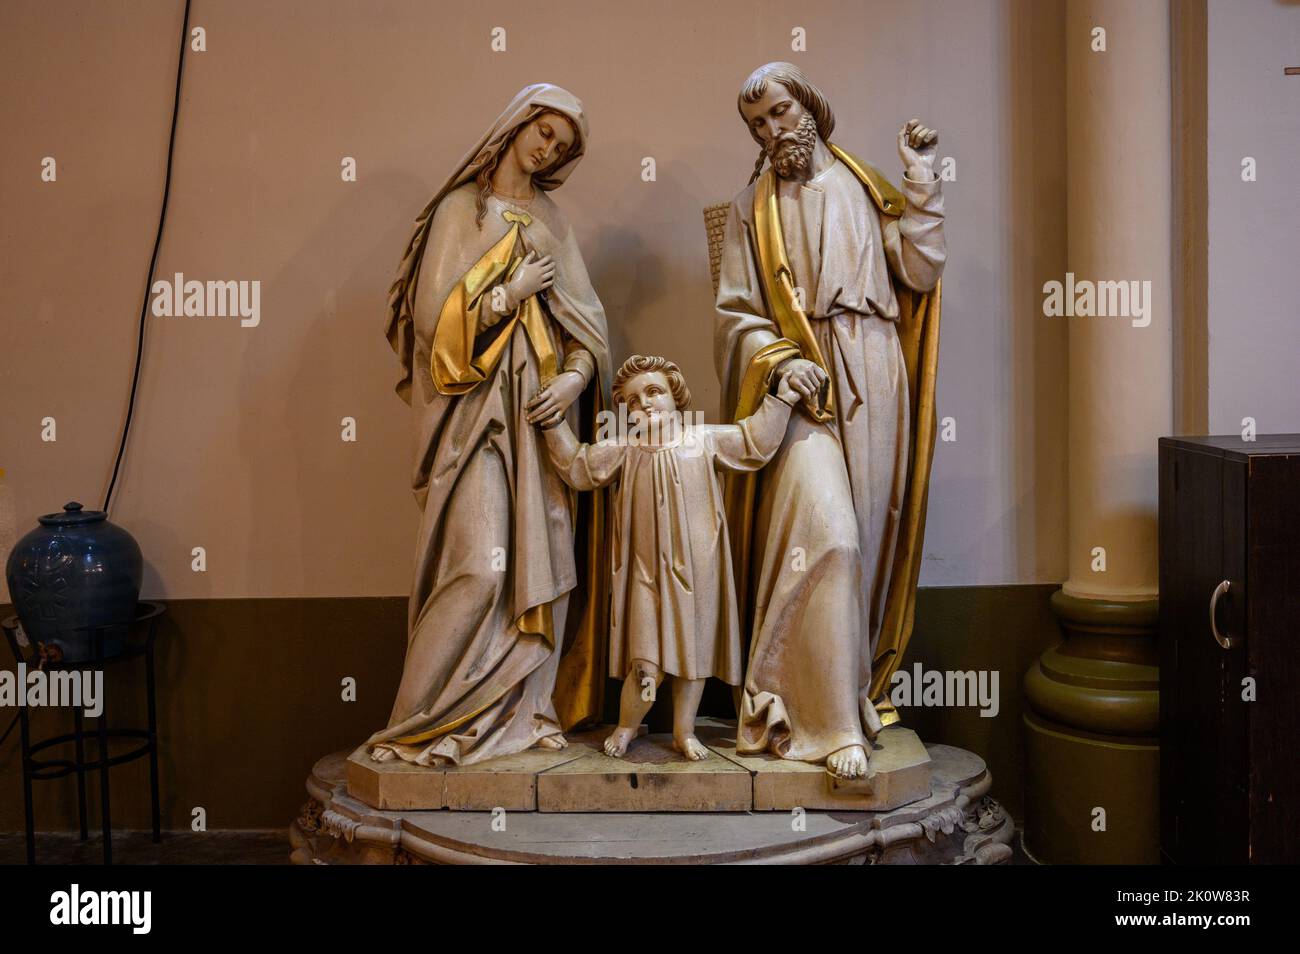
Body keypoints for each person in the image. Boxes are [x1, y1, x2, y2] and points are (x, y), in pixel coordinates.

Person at [369, 84, 611, 767]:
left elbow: (588, 331)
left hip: (537, 428)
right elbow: (429, 323)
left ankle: (525, 713)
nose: (548, 149)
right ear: (517, 123)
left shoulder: (553, 222)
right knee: (477, 567)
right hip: (472, 420)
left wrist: (570, 382)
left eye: (562, 147)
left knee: (540, 566)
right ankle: (415, 723)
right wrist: (508, 294)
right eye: (544, 132)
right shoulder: (459, 210)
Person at [538, 354, 796, 761]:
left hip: (699, 570)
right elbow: (578, 466)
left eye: (654, 392)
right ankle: (627, 726)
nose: (645, 404)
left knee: (694, 659)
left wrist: (783, 398)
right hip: (643, 573)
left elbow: (753, 442)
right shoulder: (622, 448)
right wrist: (552, 424)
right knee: (645, 664)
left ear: (676, 395)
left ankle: (684, 731)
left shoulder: (703, 439)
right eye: (633, 400)